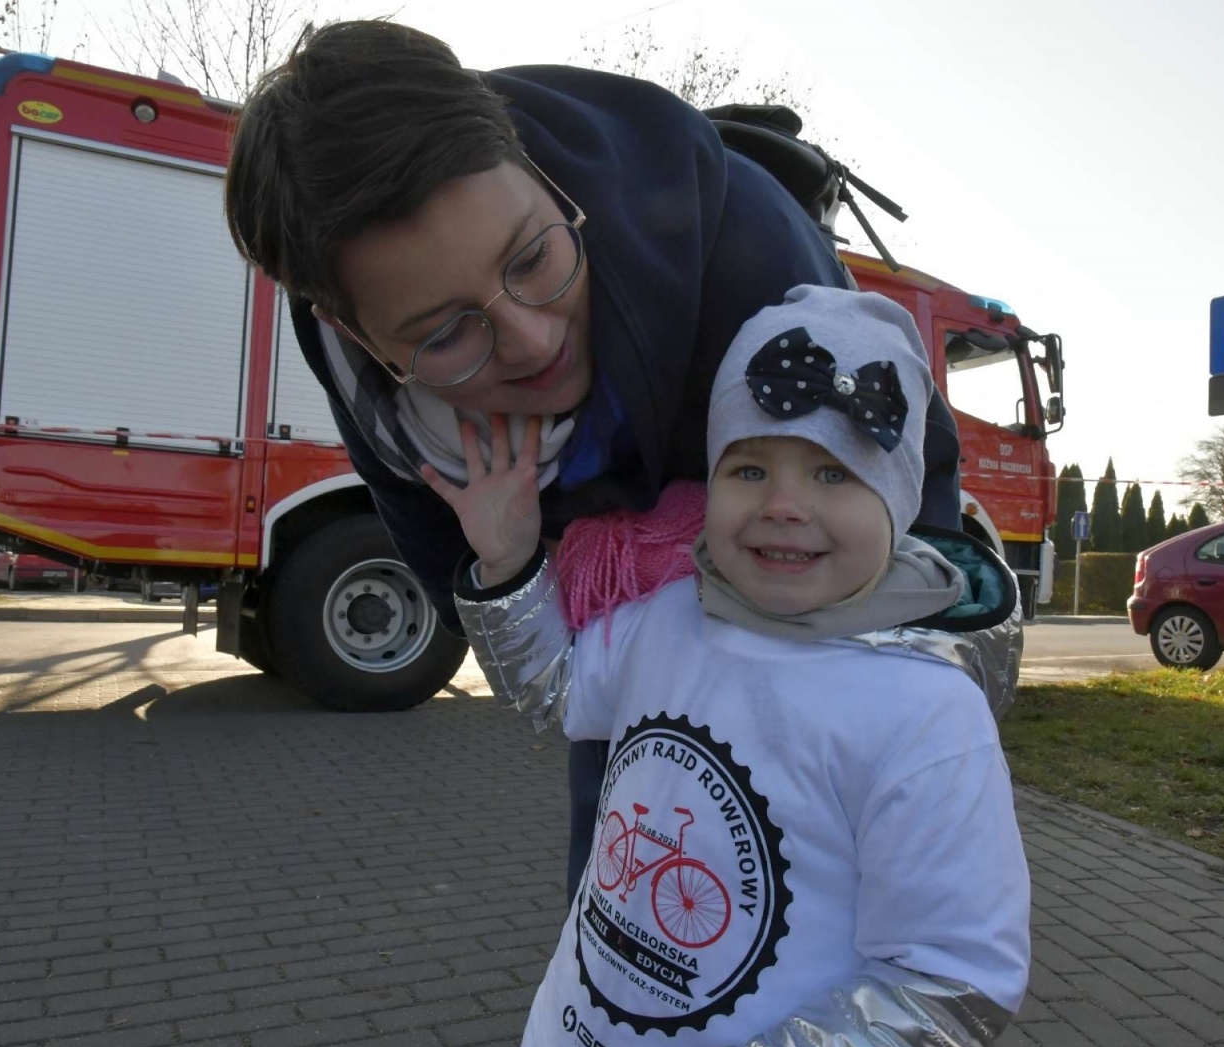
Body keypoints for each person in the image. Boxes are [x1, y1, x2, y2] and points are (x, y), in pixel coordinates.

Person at [223, 19, 967, 899]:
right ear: (358, 336)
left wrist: (922, 738)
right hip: (634, 729)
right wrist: (505, 573)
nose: (534, 341)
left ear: (538, 172)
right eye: (447, 335)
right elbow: (533, 655)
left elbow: (915, 506)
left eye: (534, 257)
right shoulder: (370, 383)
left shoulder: (749, 249)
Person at [438, 285, 1030, 1047]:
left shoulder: (926, 716)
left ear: (898, 502)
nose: (784, 504)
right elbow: (559, 688)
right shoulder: (672, 615)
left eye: (833, 475)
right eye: (749, 470)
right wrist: (508, 562)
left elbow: (952, 982)